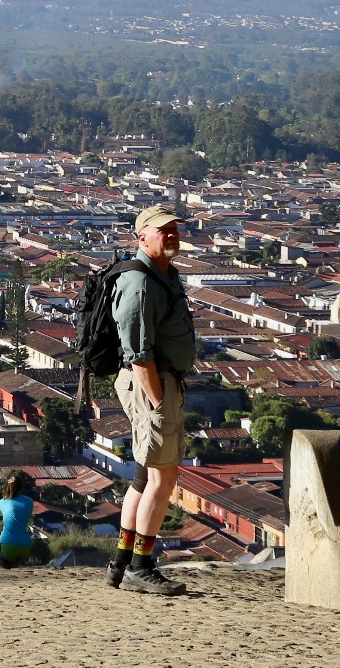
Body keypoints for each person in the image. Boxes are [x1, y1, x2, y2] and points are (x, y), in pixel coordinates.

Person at [106, 204, 197, 596]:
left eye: (174, 228)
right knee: (164, 477)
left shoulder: (163, 276)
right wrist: (159, 402)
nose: (171, 234)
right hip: (151, 385)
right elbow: (138, 353)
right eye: (163, 229)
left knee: (144, 476)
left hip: (158, 383)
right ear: (142, 236)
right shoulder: (140, 285)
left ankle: (122, 561)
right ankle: (142, 566)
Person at [0, 472, 35, 568]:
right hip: (26, 545)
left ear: (7, 487)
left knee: (6, 565)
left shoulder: (1, 502)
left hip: (7, 544)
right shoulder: (29, 501)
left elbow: (4, 515)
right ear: (21, 487)